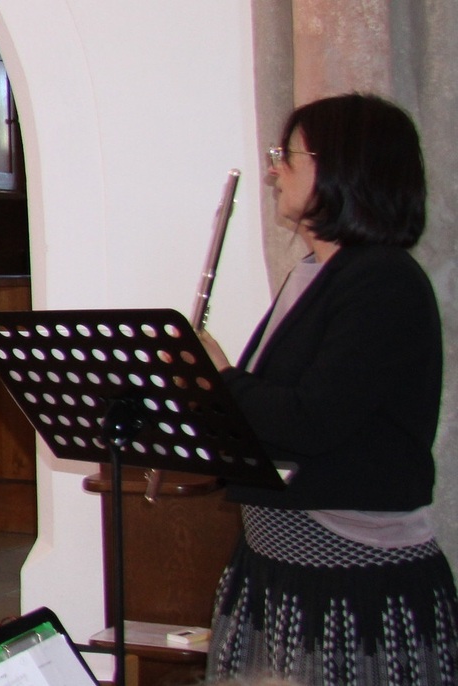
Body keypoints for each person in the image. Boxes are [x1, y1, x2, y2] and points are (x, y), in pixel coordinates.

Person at [199, 94, 456, 684]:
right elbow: (272, 422)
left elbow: (312, 422)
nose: (273, 171)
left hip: (351, 585)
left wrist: (221, 379)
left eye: (286, 156)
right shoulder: (313, 275)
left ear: (342, 168)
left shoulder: (384, 281)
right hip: (278, 569)